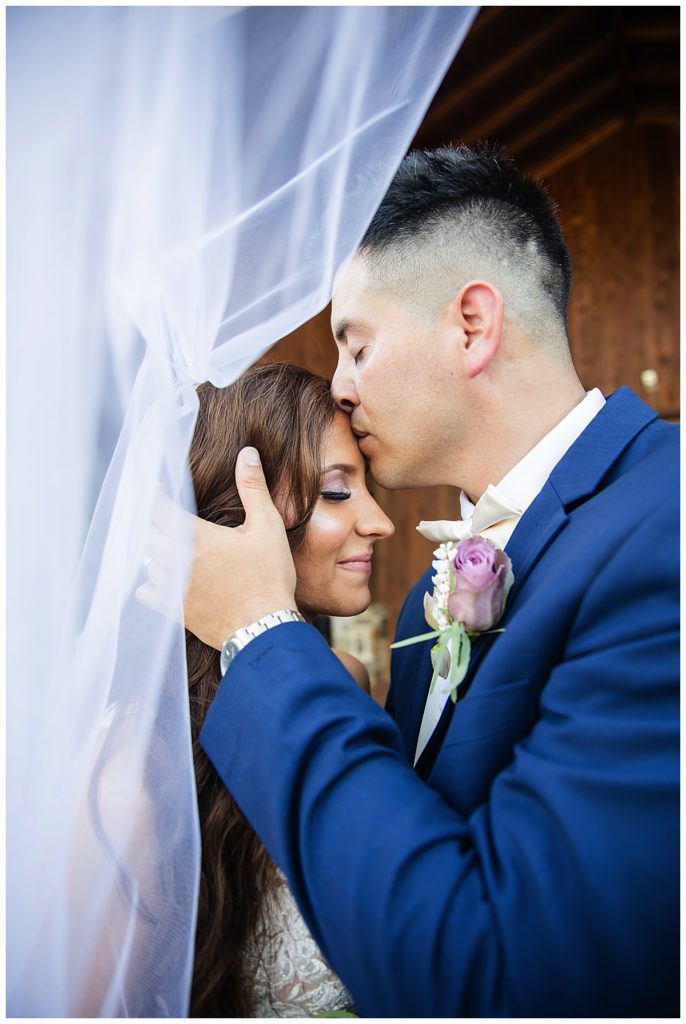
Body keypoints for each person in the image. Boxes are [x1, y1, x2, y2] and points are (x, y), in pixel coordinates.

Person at [176, 145, 678, 1016]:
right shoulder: (423, 605)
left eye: (357, 346)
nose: (340, 386)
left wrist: (259, 630)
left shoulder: (662, 525)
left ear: (473, 326)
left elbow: (515, 975)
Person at [183, 362, 393, 1015]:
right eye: (337, 491)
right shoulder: (138, 756)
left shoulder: (347, 682)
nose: (380, 521)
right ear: (247, 512)